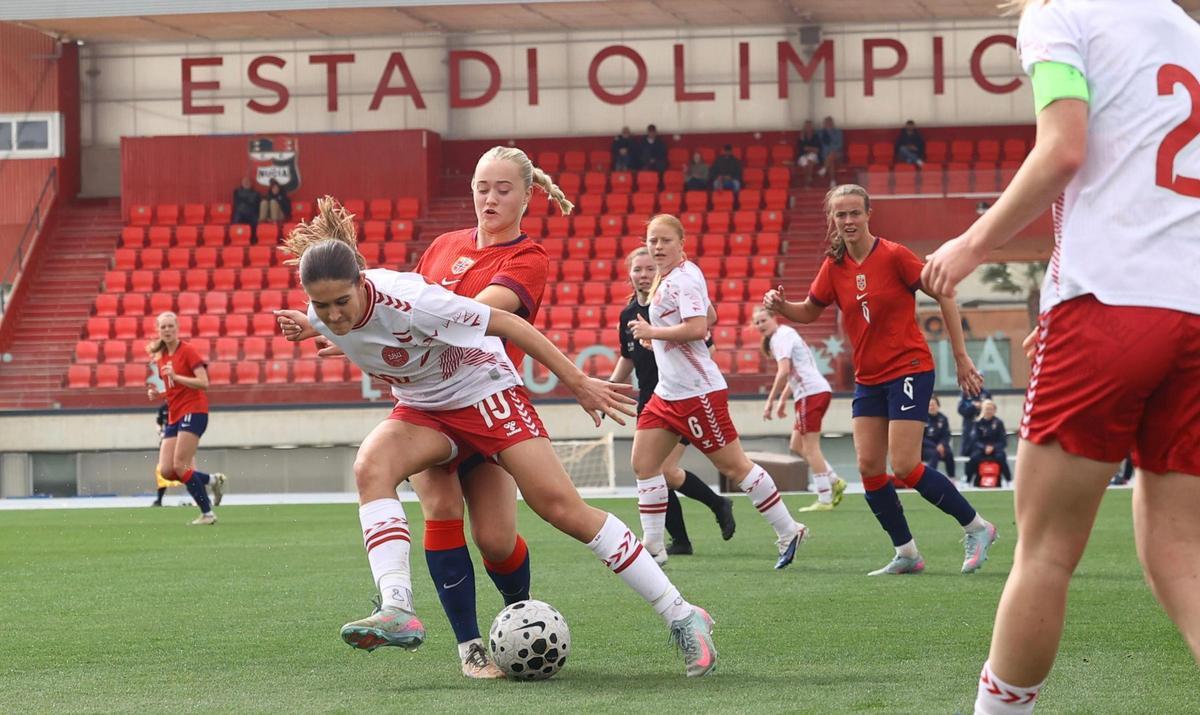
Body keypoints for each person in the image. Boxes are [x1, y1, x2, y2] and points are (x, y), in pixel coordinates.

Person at [276, 198, 718, 677]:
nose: (334, 314)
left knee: (558, 509)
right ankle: (397, 608)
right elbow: (356, 333)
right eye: (322, 307)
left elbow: (507, 323)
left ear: (362, 284)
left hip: (484, 392)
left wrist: (578, 382)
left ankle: (682, 614)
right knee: (370, 467)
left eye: (342, 303)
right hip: (425, 409)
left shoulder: (416, 302)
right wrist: (313, 325)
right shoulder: (322, 311)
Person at [922, 4, 1200, 708]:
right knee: (1182, 555)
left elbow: (1064, 150)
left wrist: (973, 244)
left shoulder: (1061, 14)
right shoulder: (1187, 33)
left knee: (1045, 551)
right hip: (1192, 310)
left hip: (1106, 306)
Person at [292, 146, 571, 678]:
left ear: (528, 194)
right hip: (427, 406)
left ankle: (521, 613)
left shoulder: (526, 258)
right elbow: (400, 318)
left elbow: (476, 315)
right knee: (441, 510)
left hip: (482, 400)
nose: (490, 198)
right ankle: (468, 648)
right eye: (482, 187)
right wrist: (348, 334)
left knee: (495, 539)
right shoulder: (443, 246)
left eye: (503, 189)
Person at [764, 184, 996, 576]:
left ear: (869, 214)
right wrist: (781, 305)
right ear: (833, 221)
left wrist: (960, 356)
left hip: (909, 368)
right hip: (869, 379)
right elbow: (808, 311)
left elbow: (945, 293)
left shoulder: (894, 255)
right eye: (841, 215)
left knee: (904, 464)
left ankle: (978, 527)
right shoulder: (833, 267)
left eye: (855, 212)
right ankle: (906, 552)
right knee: (869, 466)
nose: (848, 221)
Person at [630, 214, 809, 570]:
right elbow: (709, 314)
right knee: (643, 463)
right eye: (653, 240)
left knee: (734, 465)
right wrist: (660, 339)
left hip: (698, 392)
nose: (658, 247)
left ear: (681, 243)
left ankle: (789, 530)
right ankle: (653, 547)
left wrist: (655, 332)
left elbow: (698, 327)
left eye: (665, 240)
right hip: (669, 393)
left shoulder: (682, 280)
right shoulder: (675, 276)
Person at [611, 246, 736, 557]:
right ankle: (680, 540)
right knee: (652, 470)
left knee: (661, 470)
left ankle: (716, 505)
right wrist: (610, 389)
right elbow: (628, 357)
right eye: (637, 269)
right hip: (650, 403)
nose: (643, 275)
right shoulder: (628, 314)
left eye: (649, 268)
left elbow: (705, 342)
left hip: (682, 396)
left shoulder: (671, 303)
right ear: (629, 274)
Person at [752, 305, 846, 511]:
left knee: (810, 447)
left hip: (810, 393)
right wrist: (784, 400)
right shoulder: (785, 334)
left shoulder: (780, 337)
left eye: (763, 320)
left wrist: (771, 402)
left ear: (773, 318)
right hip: (813, 391)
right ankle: (833, 480)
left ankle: (824, 498)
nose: (760, 325)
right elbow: (793, 373)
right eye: (757, 322)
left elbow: (784, 371)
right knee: (797, 445)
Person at [145, 311, 227, 525]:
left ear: (177, 328)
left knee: (181, 465)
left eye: (170, 326)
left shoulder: (188, 351)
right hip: (175, 413)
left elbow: (204, 383)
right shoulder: (162, 356)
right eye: (163, 327)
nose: (167, 330)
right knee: (167, 471)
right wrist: (159, 394)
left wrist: (175, 376)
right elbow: (175, 389)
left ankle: (207, 513)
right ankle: (212, 480)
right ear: (158, 330)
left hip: (195, 410)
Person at [966, 399, 1011, 485]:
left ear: (994, 410)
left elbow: (1003, 441)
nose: (988, 411)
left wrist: (993, 447)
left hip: (995, 449)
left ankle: (1008, 480)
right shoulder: (977, 422)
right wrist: (984, 447)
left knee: (1001, 457)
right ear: (982, 410)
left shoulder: (999, 423)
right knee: (973, 458)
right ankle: (967, 481)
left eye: (990, 409)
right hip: (981, 449)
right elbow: (974, 440)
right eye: (986, 409)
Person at [922, 396, 955, 480]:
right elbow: (920, 438)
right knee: (935, 454)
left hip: (941, 447)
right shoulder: (922, 419)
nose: (931, 407)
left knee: (949, 454)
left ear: (938, 406)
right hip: (925, 448)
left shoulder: (943, 419)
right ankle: (931, 478)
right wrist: (935, 446)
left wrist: (942, 445)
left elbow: (946, 435)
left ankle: (952, 478)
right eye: (929, 405)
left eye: (933, 405)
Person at [958, 386, 994, 460]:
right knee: (966, 453)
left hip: (983, 427)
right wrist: (973, 406)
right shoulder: (965, 393)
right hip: (969, 426)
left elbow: (990, 408)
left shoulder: (986, 393)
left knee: (980, 453)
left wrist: (983, 407)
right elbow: (961, 409)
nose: (977, 381)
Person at [795, 120, 823, 188]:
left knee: (810, 158)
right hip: (803, 156)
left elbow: (817, 150)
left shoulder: (816, 137)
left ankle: (808, 179)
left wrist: (808, 148)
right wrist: (810, 148)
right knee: (805, 162)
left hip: (814, 155)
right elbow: (802, 149)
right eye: (807, 126)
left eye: (809, 126)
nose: (808, 128)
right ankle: (807, 180)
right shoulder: (801, 137)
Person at [818, 116, 844, 186]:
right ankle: (833, 181)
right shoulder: (820, 133)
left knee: (832, 154)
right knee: (831, 161)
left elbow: (839, 145)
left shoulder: (838, 132)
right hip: (825, 155)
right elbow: (820, 145)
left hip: (837, 153)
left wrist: (832, 150)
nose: (828, 124)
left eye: (830, 122)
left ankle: (824, 168)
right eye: (826, 122)